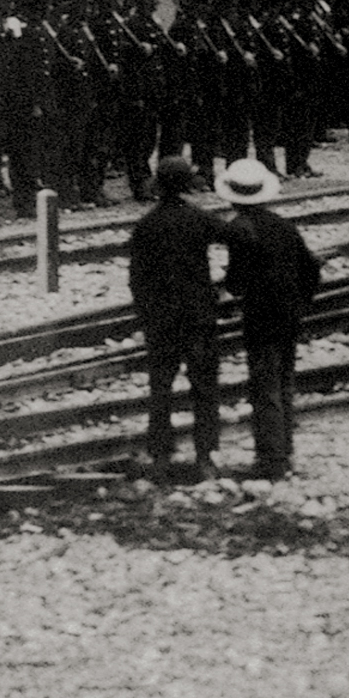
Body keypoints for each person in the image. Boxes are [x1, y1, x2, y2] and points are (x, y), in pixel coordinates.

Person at [217, 156, 322, 477]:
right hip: (290, 313)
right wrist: (300, 302)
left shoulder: (239, 229)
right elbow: (311, 269)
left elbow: (236, 281)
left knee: (265, 385)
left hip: (261, 315)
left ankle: (272, 460)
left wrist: (229, 289)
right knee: (285, 380)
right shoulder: (283, 224)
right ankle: (285, 449)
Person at [128, 156, 225, 480]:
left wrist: (146, 313)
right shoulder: (200, 219)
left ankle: (160, 455)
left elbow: (137, 278)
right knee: (205, 388)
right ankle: (205, 456)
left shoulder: (146, 226)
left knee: (160, 388)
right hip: (198, 315)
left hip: (161, 318)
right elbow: (236, 237)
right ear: (187, 185)